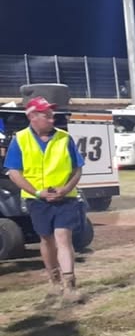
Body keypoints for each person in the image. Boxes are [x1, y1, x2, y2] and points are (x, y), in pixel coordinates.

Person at [3, 97, 86, 304]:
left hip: (65, 198)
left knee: (63, 237)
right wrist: (37, 192)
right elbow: (14, 173)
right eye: (46, 115)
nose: (51, 119)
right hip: (37, 201)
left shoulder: (65, 138)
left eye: (51, 115)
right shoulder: (20, 140)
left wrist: (66, 189)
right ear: (32, 116)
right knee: (47, 239)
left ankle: (70, 285)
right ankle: (54, 281)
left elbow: (77, 169)